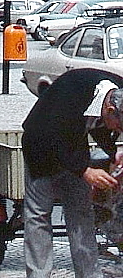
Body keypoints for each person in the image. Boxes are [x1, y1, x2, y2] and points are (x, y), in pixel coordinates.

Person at [21, 68, 123, 278]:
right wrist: (84, 170)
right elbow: (52, 137)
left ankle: (89, 275)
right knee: (38, 217)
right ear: (110, 108)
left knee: (82, 216)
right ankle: (38, 275)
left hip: (73, 148)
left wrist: (115, 152)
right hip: (40, 145)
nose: (119, 132)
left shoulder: (117, 88)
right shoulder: (70, 97)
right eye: (120, 127)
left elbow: (101, 126)